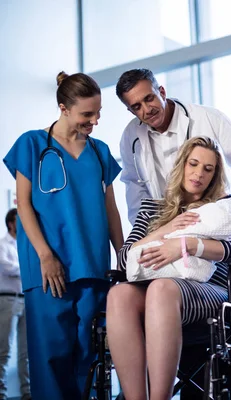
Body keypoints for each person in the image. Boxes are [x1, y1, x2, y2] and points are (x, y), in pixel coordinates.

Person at [2, 72, 124, 399]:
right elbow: (24, 205)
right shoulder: (32, 144)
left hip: (92, 264)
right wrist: (45, 255)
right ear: (64, 108)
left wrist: (122, 255)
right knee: (51, 357)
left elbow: (110, 209)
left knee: (91, 355)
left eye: (98, 113)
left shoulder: (99, 152)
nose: (94, 121)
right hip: (45, 266)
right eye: (87, 114)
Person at [106, 136, 231, 400]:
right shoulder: (151, 209)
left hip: (209, 290)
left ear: (215, 175)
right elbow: (125, 260)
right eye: (193, 164)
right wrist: (166, 230)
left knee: (162, 288)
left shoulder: (222, 209)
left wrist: (188, 244)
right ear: (182, 164)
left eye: (208, 169)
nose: (199, 174)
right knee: (119, 294)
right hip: (153, 287)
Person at [116, 68, 231, 232]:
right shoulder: (130, 136)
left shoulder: (209, 118)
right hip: (168, 228)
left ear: (161, 92)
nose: (147, 109)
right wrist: (146, 230)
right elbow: (134, 185)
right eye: (137, 106)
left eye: (149, 98)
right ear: (130, 111)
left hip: (215, 221)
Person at [0, 209, 30, 400]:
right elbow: (8, 267)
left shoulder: (26, 245)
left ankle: (27, 393)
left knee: (25, 352)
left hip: (26, 299)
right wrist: (27, 268)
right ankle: (1, 394)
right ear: (11, 223)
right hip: (8, 299)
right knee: (4, 350)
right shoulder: (3, 245)